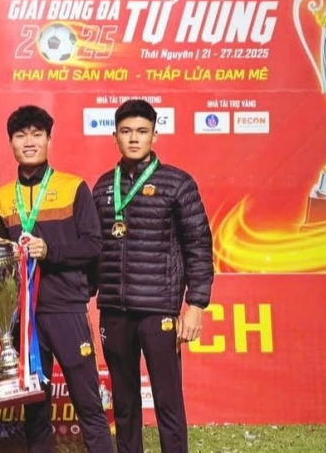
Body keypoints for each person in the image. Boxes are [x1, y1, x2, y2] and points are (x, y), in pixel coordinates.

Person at [92, 99, 214, 453]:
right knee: (124, 404)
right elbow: (93, 249)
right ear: (115, 136)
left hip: (159, 309)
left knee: (167, 400)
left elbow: (199, 246)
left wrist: (195, 305)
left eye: (142, 131)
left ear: (154, 135)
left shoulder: (178, 183)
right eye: (126, 131)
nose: (134, 139)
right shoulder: (102, 186)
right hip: (114, 311)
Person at [0, 105, 115, 453]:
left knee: (88, 402)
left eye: (36, 134)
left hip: (66, 309)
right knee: (34, 407)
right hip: (24, 317)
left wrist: (51, 252)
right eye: (21, 135)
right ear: (11, 143)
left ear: (49, 139)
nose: (29, 142)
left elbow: (93, 244)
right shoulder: (1, 197)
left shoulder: (74, 187)